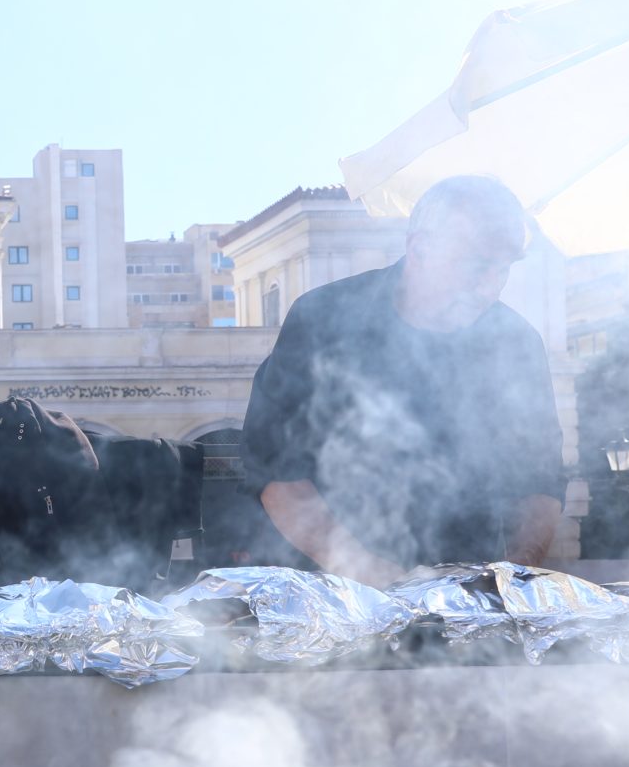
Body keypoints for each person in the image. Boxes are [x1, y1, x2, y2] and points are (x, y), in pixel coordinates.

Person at [241, 175, 564, 586]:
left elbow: (539, 480)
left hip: (466, 603)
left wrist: (516, 572)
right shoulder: (322, 318)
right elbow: (277, 476)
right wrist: (389, 583)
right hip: (333, 598)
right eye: (477, 265)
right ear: (420, 248)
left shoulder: (517, 343)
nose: (489, 288)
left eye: (503, 269)